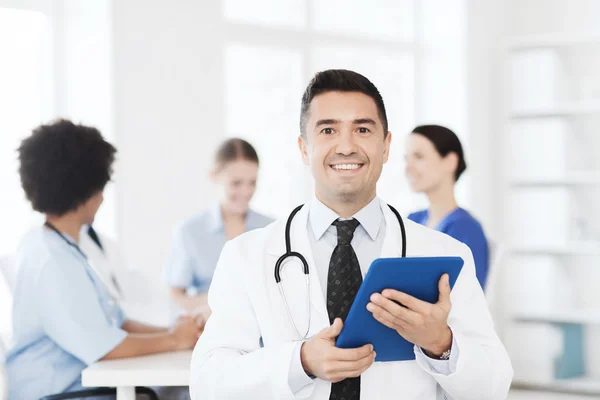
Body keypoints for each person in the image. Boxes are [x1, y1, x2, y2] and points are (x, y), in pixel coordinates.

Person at [189, 70, 512, 399]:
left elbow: (493, 387)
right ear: (304, 149)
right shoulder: (246, 255)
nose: (346, 146)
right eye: (328, 129)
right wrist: (299, 361)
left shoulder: (445, 252)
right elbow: (208, 383)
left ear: (386, 146)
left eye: (362, 129)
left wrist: (440, 342)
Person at [5, 119, 201, 400]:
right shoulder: (52, 262)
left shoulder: (56, 247)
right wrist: (174, 339)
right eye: (101, 187)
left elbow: (116, 323)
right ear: (85, 192)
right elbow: (104, 347)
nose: (102, 198)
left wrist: (177, 332)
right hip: (59, 394)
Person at [164, 138, 273, 315]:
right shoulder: (189, 231)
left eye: (252, 183)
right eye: (236, 183)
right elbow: (175, 296)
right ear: (214, 177)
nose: (246, 191)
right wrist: (219, 303)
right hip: (209, 329)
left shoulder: (270, 228)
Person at [405, 125, 490, 288]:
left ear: (450, 161)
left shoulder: (466, 228)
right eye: (406, 159)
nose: (408, 168)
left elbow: (469, 294)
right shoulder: (412, 220)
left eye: (419, 157)